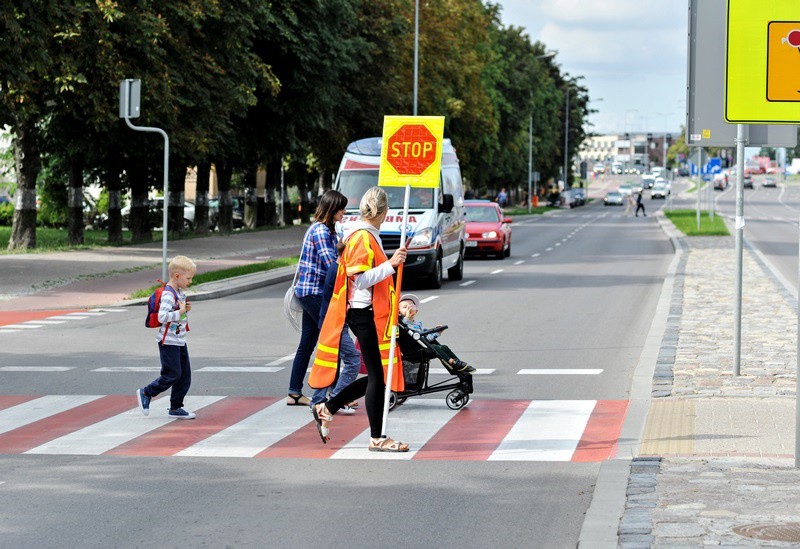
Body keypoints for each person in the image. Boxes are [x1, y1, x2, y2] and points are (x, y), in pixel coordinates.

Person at [308, 186, 409, 452]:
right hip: (362, 313)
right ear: (385, 212)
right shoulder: (363, 237)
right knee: (378, 377)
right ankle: (376, 437)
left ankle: (327, 408)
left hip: (365, 313)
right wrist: (392, 264)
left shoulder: (365, 234)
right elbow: (360, 279)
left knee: (378, 376)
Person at [286, 190, 349, 406]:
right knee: (334, 340)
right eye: (342, 208)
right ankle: (335, 393)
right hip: (314, 292)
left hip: (310, 292)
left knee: (308, 343)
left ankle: (294, 392)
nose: (344, 212)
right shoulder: (321, 231)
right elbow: (331, 264)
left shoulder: (326, 230)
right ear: (332, 209)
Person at [136, 255, 198, 419]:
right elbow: (163, 317)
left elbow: (177, 313)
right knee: (172, 374)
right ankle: (146, 392)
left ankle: (175, 408)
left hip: (179, 340)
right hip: (168, 341)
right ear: (177, 276)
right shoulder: (169, 294)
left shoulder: (179, 292)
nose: (190, 281)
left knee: (185, 377)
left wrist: (184, 310)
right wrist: (180, 312)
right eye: (188, 278)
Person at [309, 243, 361, 415]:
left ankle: (318, 401)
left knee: (329, 361)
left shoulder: (337, 268)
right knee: (353, 360)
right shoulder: (340, 271)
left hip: (332, 322)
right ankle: (337, 399)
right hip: (334, 323)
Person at [398, 294, 475, 374]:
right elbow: (407, 327)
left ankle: (458, 364)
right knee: (435, 347)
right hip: (415, 350)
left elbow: (427, 337)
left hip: (424, 345)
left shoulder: (418, 324)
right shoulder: (403, 324)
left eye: (411, 306)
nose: (409, 308)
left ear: (416, 311)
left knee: (444, 347)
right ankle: (451, 362)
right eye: (405, 307)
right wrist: (407, 317)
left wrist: (437, 333)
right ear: (399, 312)